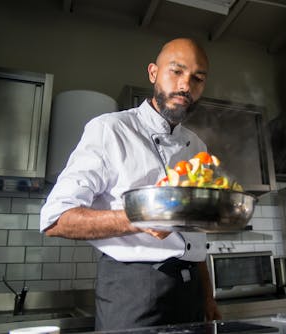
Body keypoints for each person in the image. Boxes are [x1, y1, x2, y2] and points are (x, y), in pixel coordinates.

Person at [40, 38, 221, 330]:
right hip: (134, 291)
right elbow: (55, 220)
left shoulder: (198, 145)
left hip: (191, 293)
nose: (186, 85)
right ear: (153, 73)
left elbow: (193, 232)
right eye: (176, 71)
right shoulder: (110, 129)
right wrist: (138, 219)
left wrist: (207, 296)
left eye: (198, 78)